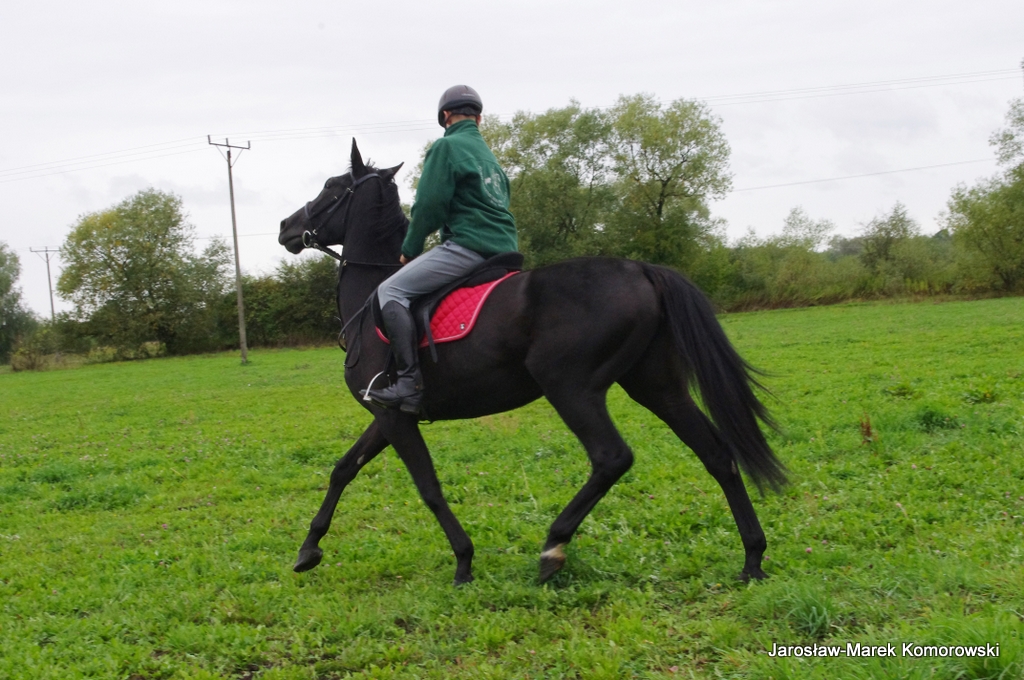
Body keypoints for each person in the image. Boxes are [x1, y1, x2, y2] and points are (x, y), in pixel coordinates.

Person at [365, 85, 518, 415]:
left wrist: (410, 249)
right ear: (478, 118)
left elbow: (429, 206)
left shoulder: (446, 147)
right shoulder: (490, 158)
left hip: (469, 245)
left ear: (445, 116)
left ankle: (408, 383)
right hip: (506, 249)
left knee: (391, 290)